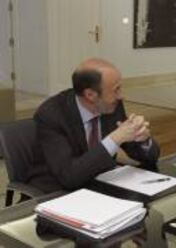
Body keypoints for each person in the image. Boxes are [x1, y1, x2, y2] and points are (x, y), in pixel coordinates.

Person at [29, 58, 160, 193]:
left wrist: (143, 139)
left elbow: (148, 158)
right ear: (90, 94)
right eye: (116, 90)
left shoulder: (111, 105)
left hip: (99, 183)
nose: (121, 96)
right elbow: (69, 177)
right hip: (57, 191)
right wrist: (114, 139)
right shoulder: (52, 115)